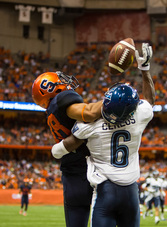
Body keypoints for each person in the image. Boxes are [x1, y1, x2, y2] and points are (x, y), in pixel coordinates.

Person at [52, 43, 155, 227]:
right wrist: (145, 70)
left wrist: (55, 150)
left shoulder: (91, 125)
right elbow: (149, 100)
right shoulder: (140, 116)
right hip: (131, 193)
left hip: (105, 192)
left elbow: (66, 147)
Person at [32, 70, 103, 227]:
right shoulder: (63, 98)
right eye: (59, 80)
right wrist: (112, 99)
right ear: (50, 87)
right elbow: (90, 113)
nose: (65, 81)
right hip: (91, 167)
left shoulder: (52, 111)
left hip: (70, 171)